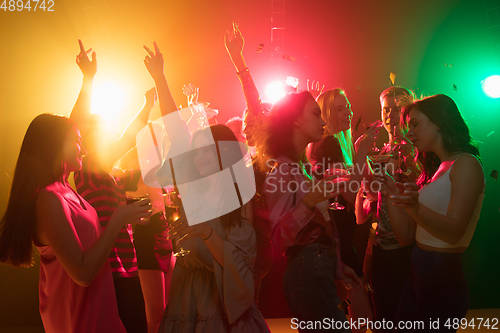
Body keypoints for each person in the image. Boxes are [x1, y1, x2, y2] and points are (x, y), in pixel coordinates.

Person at [142, 41, 270, 332]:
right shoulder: (192, 185)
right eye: (196, 151)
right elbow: (175, 130)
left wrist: (206, 232)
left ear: (224, 154)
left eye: (206, 150)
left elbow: (242, 257)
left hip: (222, 291)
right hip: (186, 287)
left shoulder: (239, 196)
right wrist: (160, 78)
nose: (198, 156)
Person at [0, 114, 152, 333]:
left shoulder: (67, 190)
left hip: (99, 309)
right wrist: (118, 219)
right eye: (77, 141)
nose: (84, 149)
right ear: (55, 144)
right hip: (78, 319)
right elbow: (82, 274)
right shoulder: (48, 199)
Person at [377, 94, 485, 332]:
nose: (410, 133)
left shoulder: (466, 163)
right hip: (420, 272)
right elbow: (405, 236)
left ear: (438, 122)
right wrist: (390, 191)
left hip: (442, 277)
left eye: (415, 124)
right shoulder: (438, 169)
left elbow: (454, 231)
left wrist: (414, 207)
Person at [70, 40, 154, 333]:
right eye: (103, 131)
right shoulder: (89, 169)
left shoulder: (113, 175)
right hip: (107, 271)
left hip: (126, 268)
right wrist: (88, 79)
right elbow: (81, 126)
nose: (110, 134)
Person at [307, 88, 379, 332]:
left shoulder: (338, 142)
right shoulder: (327, 143)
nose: (348, 112)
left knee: (349, 310)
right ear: (326, 113)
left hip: (342, 235)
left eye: (347, 106)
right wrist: (361, 155)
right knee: (361, 316)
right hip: (338, 239)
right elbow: (347, 194)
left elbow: (360, 196)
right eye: (340, 108)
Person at [359, 86, 420, 332]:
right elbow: (372, 192)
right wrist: (361, 155)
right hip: (381, 246)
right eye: (386, 110)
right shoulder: (383, 151)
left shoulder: (417, 151)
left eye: (397, 110)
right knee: (382, 319)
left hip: (408, 248)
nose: (390, 116)